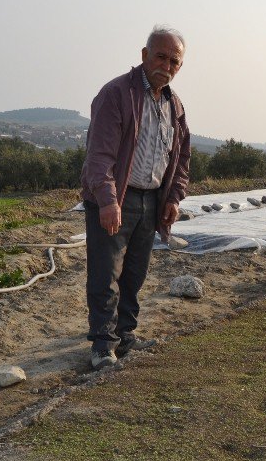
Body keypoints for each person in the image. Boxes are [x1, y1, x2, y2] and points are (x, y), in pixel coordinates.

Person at [80, 25, 191, 370]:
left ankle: (125, 336)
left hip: (151, 200)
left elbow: (181, 157)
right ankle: (102, 345)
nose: (167, 65)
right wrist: (108, 200)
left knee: (134, 274)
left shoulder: (174, 105)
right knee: (105, 273)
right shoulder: (117, 94)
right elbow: (100, 155)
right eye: (161, 56)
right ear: (144, 55)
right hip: (117, 198)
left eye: (174, 61)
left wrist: (173, 197)